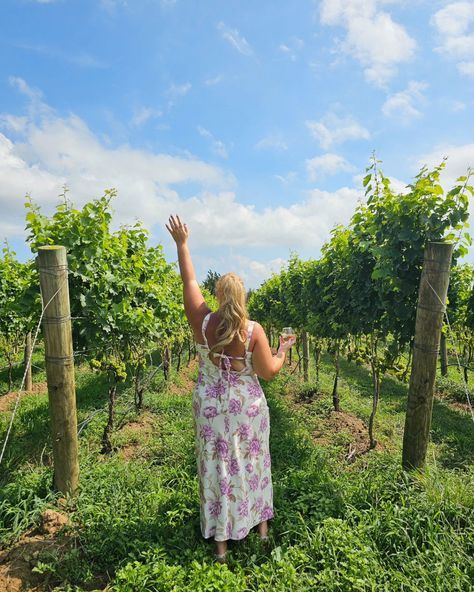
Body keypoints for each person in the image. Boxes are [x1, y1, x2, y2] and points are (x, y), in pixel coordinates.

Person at [166, 214, 296, 562]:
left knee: (216, 467)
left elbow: (188, 278)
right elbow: (269, 373)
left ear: (218, 296)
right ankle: (261, 529)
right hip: (246, 408)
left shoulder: (202, 320)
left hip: (210, 406)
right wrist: (282, 350)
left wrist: (182, 243)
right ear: (244, 296)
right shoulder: (253, 331)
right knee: (253, 462)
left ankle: (221, 544)